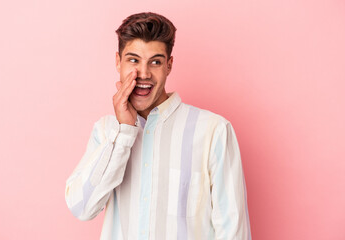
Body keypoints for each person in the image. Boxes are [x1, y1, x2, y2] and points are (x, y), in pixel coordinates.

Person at [65, 12, 251, 240]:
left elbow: (233, 231)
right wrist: (123, 132)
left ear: (169, 65)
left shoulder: (214, 131)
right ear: (117, 61)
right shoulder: (106, 131)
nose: (143, 74)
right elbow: (81, 207)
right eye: (133, 60)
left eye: (155, 62)